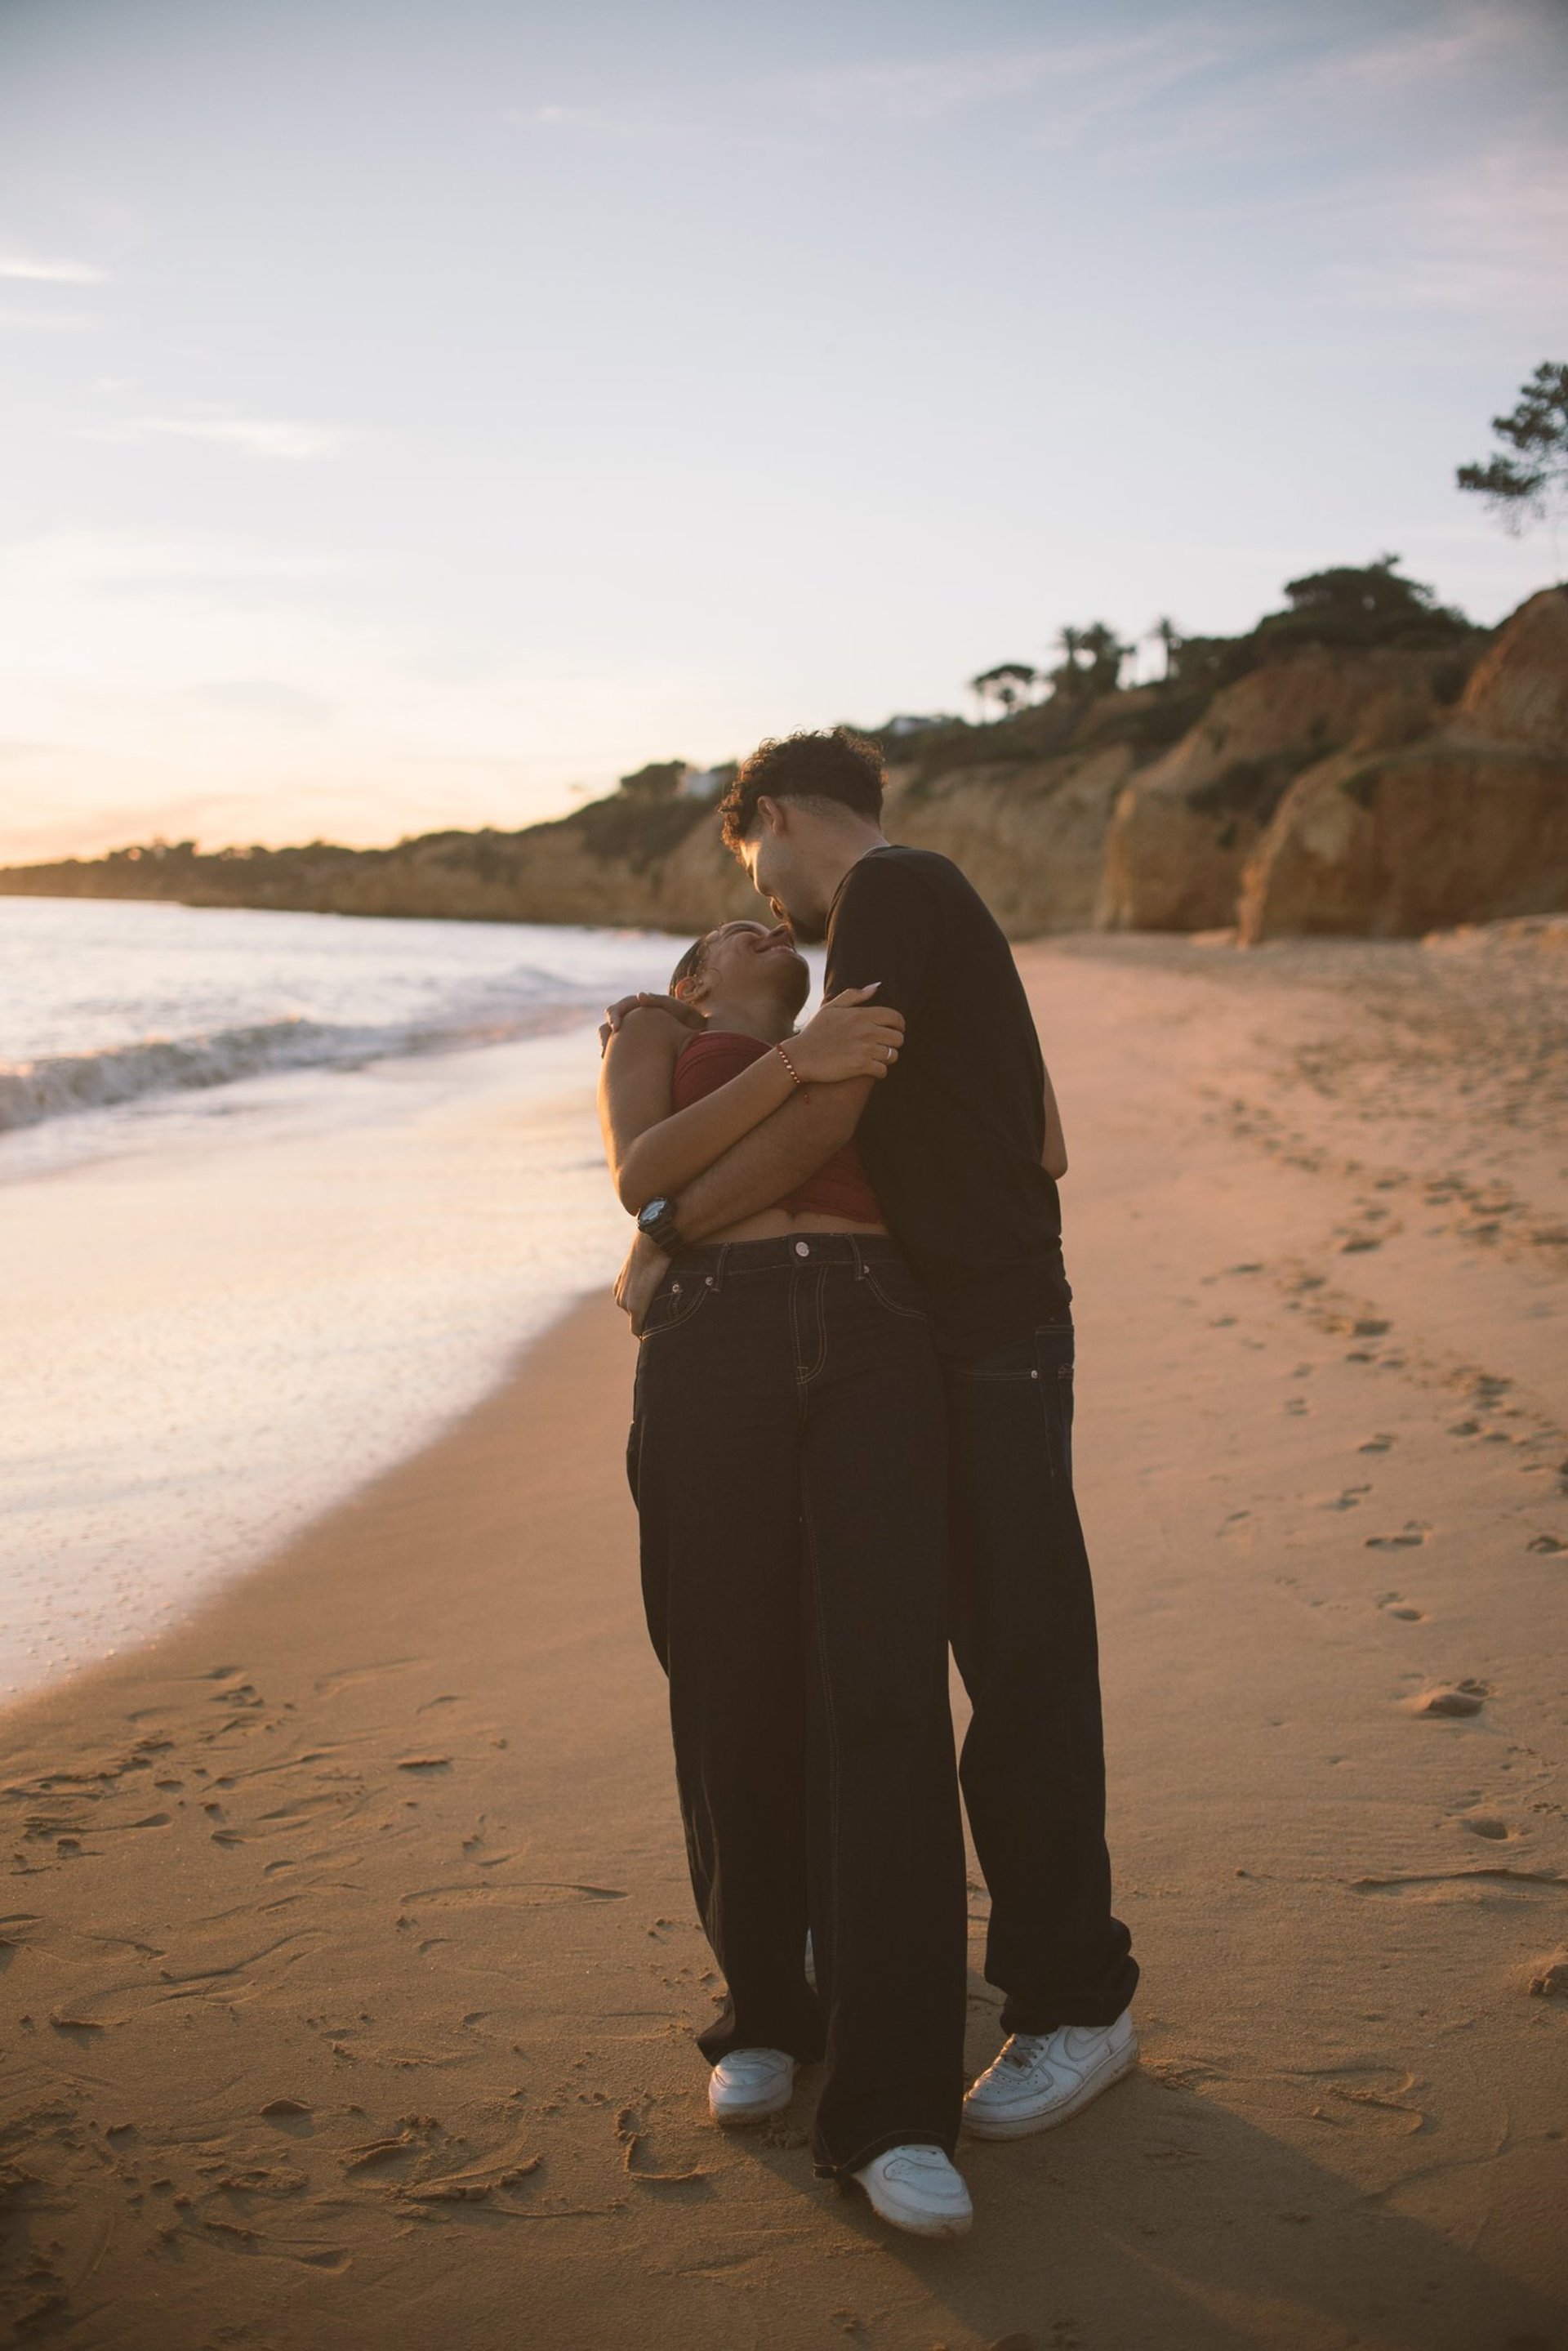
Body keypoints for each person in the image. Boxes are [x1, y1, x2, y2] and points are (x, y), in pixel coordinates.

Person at [608, 729, 1139, 2146]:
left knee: (1020, 1661)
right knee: (940, 1657)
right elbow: (1041, 1127)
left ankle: (1078, 1999)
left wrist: (669, 1230)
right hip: (950, 1331)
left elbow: (839, 1098)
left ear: (771, 817)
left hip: (993, 1334)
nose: (768, 907)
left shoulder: (895, 893)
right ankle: (940, 1978)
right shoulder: (918, 918)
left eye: (753, 870)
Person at [598, 916, 973, 2237]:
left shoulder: (863, 1021)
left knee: (883, 1696)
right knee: (730, 1681)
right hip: (716, 1338)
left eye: (773, 922)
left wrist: (675, 1219)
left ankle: (901, 2104)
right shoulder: (656, 1027)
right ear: (698, 978)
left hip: (875, 1321)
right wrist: (789, 1061)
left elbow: (677, 1199)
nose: (762, 926)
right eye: (725, 929)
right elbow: (641, 1168)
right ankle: (764, 2005)